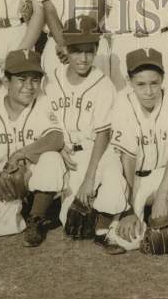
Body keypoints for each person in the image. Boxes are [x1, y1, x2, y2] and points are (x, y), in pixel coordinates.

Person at [95, 48, 168, 254]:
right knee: (131, 240)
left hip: (159, 176)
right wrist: (129, 211)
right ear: (129, 81)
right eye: (141, 84)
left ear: (163, 78)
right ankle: (108, 220)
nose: (149, 91)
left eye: (154, 82)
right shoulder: (122, 102)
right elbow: (128, 159)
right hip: (128, 178)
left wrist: (162, 195)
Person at [0, 48, 66, 247]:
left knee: (53, 160)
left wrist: (22, 153)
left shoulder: (43, 103)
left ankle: (36, 217)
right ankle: (17, 207)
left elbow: (56, 138)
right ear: (6, 81)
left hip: (33, 176)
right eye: (22, 79)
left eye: (35, 79)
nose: (29, 86)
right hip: (5, 185)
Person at [42, 16, 118, 226]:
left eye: (89, 50)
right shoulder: (51, 80)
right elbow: (44, 122)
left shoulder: (103, 84)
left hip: (94, 153)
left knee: (85, 215)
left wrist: (89, 179)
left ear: (96, 49)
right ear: (65, 49)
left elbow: (103, 134)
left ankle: (109, 208)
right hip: (64, 153)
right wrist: (56, 146)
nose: (83, 58)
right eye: (76, 50)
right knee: (70, 219)